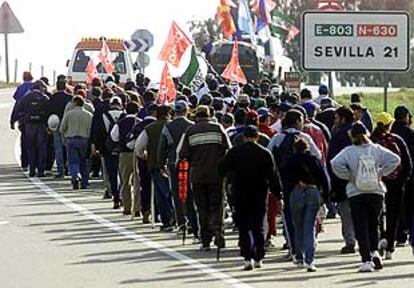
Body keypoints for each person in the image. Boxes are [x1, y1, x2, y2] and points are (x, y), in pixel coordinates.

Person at [331, 122, 400, 272]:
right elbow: (396, 159)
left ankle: (366, 260)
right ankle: (375, 252)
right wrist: (381, 173)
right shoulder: (376, 149)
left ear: (352, 136)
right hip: (376, 191)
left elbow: (335, 163)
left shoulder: (348, 151)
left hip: (356, 192)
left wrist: (349, 177)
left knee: (360, 226)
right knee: (373, 224)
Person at [219, 125, 283, 270]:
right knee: (258, 225)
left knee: (243, 226)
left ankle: (247, 257)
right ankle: (259, 256)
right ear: (257, 137)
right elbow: (273, 177)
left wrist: (230, 177)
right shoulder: (265, 153)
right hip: (259, 193)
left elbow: (221, 169)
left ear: (243, 137)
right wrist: (278, 196)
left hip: (240, 192)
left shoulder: (235, 152)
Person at [267, 109, 321, 261]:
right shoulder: (305, 137)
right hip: (307, 183)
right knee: (308, 218)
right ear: (297, 121)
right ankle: (308, 247)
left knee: (290, 218)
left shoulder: (277, 138)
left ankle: (295, 250)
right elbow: (318, 156)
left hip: (286, 183)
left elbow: (269, 159)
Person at [178, 105, 231, 251]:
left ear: (196, 116)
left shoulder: (190, 131)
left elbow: (182, 154)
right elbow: (228, 148)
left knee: (202, 207)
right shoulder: (218, 128)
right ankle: (218, 231)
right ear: (209, 115)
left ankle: (206, 240)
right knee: (217, 205)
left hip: (197, 175)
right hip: (216, 174)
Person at [371, 112, 413, 259]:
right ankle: (390, 247)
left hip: (375, 184)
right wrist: (402, 181)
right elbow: (407, 164)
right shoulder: (397, 140)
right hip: (396, 185)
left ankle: (377, 243)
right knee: (393, 215)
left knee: (376, 216)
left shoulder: (370, 141)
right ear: (390, 124)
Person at [285, 138, 330, 272]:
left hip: (296, 192)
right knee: (309, 227)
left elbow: (285, 178)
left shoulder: (290, 161)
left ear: (295, 148)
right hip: (313, 191)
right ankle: (310, 260)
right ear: (307, 147)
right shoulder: (313, 159)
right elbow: (324, 178)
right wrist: (326, 196)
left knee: (298, 226)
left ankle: (299, 256)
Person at [158, 100, 199, 242]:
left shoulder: (168, 127)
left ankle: (181, 222)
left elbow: (162, 147)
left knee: (177, 193)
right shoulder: (192, 126)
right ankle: (193, 223)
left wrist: (161, 164)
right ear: (187, 110)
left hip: (173, 163)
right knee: (190, 193)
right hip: (190, 163)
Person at [136, 105, 175, 232]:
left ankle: (167, 221)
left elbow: (139, 147)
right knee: (176, 193)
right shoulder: (175, 126)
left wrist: (144, 156)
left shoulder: (149, 128)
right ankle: (179, 219)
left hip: (156, 165)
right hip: (176, 164)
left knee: (162, 194)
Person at [328, 106, 357, 254]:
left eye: (337, 117)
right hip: (362, 179)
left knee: (345, 212)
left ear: (343, 118)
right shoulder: (362, 131)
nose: (335, 120)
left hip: (342, 181)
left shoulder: (339, 135)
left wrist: (332, 181)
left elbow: (332, 160)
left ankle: (350, 240)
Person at [10, 80, 50, 177]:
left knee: (31, 147)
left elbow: (18, 108)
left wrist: (13, 121)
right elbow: (50, 110)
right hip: (41, 124)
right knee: (42, 147)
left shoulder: (26, 97)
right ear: (41, 87)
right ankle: (41, 170)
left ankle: (32, 170)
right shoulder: (44, 98)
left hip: (29, 124)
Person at [110, 101, 141, 216]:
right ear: (137, 110)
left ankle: (127, 206)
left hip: (124, 154)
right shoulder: (140, 123)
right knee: (138, 181)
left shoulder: (120, 123)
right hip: (137, 153)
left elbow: (114, 137)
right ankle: (137, 208)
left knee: (125, 181)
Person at [391, 105, 414, 248]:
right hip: (409, 175)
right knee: (409, 206)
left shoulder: (391, 133)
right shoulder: (410, 133)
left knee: (394, 207)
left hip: (391, 176)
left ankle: (396, 235)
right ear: (406, 117)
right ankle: (406, 233)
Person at [60, 96, 93, 189]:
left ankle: (75, 176)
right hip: (84, 140)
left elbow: (62, 128)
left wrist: (64, 138)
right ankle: (84, 182)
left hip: (71, 139)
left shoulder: (69, 114)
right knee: (84, 161)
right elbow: (91, 129)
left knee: (73, 161)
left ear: (75, 103)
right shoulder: (89, 115)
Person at [48, 75, 73, 178]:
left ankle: (60, 170)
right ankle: (70, 169)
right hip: (67, 125)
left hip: (56, 124)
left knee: (58, 148)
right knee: (68, 148)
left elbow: (48, 111)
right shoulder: (70, 98)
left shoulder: (52, 98)